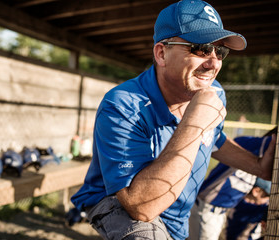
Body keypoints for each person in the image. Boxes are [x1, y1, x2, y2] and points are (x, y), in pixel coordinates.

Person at [71, 0, 276, 239]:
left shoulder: (213, 91)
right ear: (161, 53)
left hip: (177, 211)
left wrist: (258, 167)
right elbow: (139, 206)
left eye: (220, 51)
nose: (213, 63)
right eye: (201, 48)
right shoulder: (123, 104)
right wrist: (194, 122)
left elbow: (214, 140)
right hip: (120, 199)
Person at [188, 127, 276, 240]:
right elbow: (238, 141)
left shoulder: (264, 158)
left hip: (221, 211)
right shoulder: (254, 146)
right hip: (207, 208)